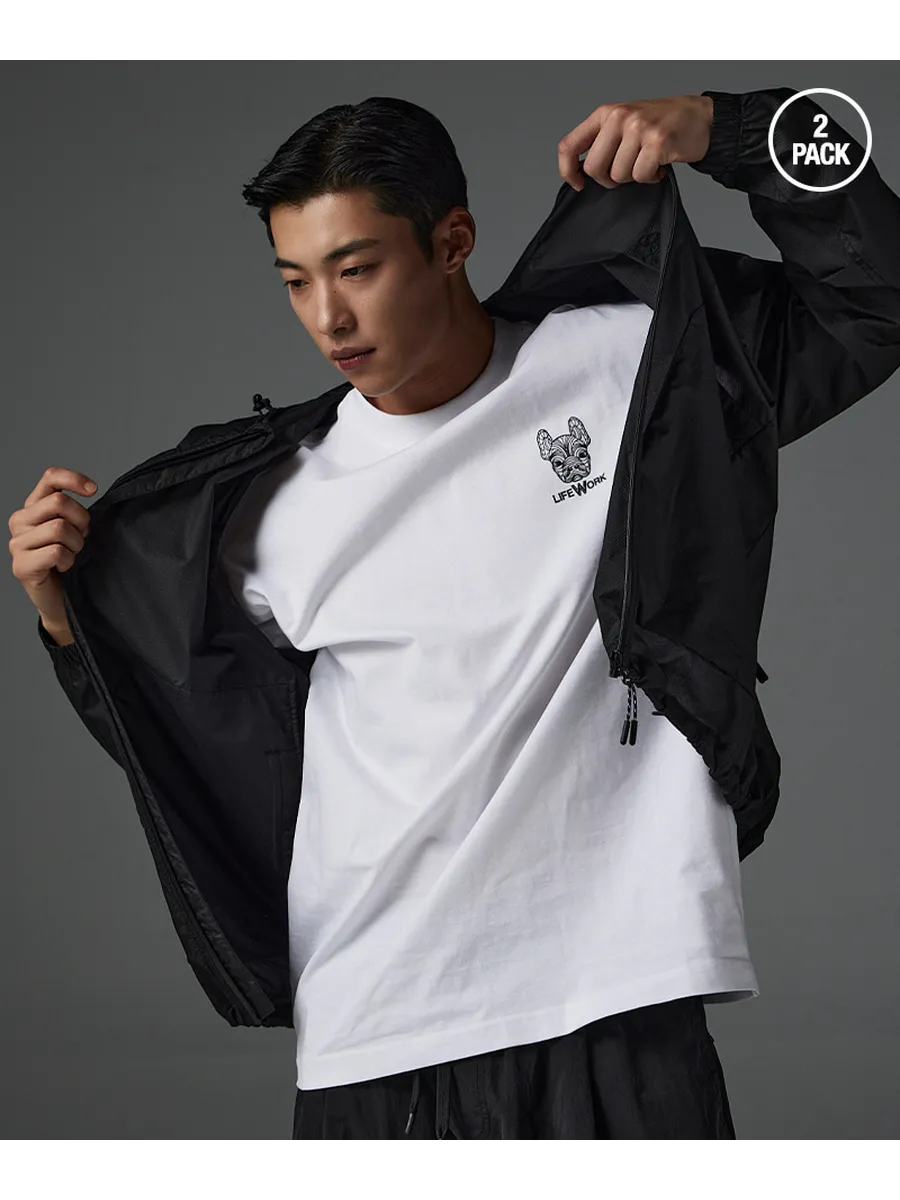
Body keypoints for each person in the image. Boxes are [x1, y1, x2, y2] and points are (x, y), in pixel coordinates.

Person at [12, 88, 900, 1143]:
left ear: (452, 242)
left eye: (357, 268)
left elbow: (875, 301)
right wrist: (68, 622)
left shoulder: (634, 363)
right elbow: (199, 748)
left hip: (626, 991)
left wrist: (735, 129)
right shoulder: (266, 512)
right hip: (381, 1027)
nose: (328, 318)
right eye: (296, 280)